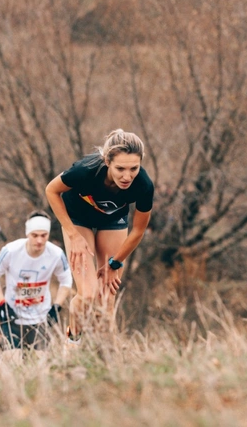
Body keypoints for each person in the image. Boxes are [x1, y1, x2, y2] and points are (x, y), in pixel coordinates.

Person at [45, 129, 153, 342]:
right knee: (87, 294)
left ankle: (106, 352)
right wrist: (72, 234)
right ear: (107, 161)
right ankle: (73, 342)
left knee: (106, 297)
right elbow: (51, 190)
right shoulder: (85, 171)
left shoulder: (143, 185)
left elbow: (138, 230)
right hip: (78, 220)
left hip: (112, 221)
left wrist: (116, 263)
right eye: (120, 168)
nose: (127, 176)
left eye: (134, 168)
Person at [0, 212, 73, 350]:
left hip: (41, 318)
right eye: (35, 235)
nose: (39, 241)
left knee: (39, 363)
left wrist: (56, 307)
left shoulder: (56, 254)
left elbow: (66, 281)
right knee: (13, 360)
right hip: (12, 317)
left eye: (43, 235)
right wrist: (2, 303)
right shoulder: (11, 251)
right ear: (27, 234)